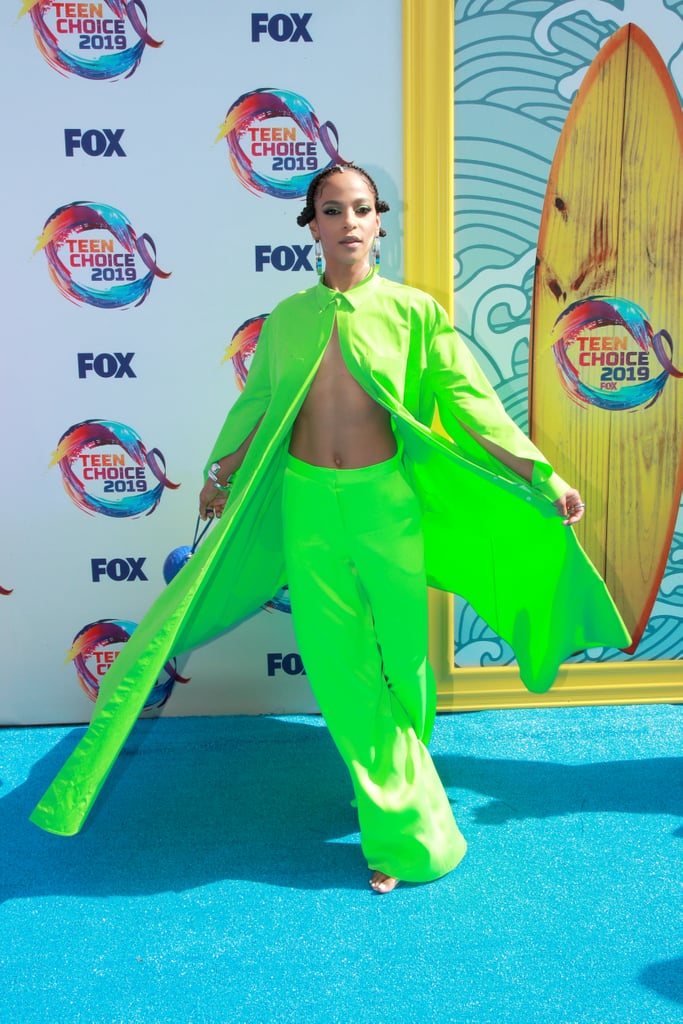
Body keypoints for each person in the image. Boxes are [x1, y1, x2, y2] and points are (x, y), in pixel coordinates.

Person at [30, 164, 630, 893]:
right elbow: (255, 408)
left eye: (361, 209)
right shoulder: (286, 320)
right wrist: (220, 474)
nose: (348, 222)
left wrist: (541, 474)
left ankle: (388, 779)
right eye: (331, 210)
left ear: (380, 222)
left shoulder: (415, 313)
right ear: (309, 226)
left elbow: (473, 406)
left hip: (387, 511)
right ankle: (405, 835)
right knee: (341, 671)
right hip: (309, 512)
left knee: (403, 664)